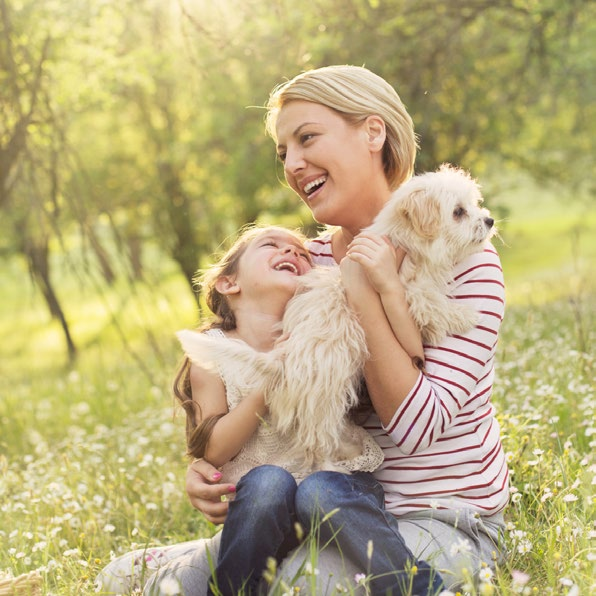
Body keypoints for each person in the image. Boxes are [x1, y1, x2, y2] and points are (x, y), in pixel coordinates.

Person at [96, 64, 509, 595]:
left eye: (307, 138)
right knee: (122, 579)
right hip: (308, 509)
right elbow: (256, 377)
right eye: (283, 151)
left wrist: (363, 288)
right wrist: (210, 466)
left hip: (436, 517)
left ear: (372, 132)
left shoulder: (464, 256)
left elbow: (414, 425)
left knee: (294, 588)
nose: (292, 164)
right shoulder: (300, 266)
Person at [172, 223, 414, 595]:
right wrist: (269, 383)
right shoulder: (214, 350)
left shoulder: (323, 332)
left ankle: (419, 586)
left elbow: (405, 355)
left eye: (302, 254)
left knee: (320, 490)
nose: (293, 254)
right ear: (228, 283)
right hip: (261, 510)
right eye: (272, 245)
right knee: (270, 482)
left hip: (336, 488)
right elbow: (214, 449)